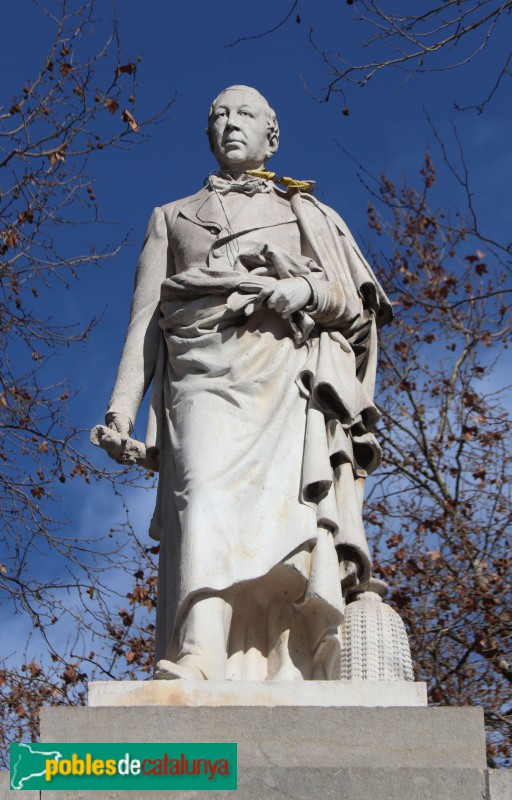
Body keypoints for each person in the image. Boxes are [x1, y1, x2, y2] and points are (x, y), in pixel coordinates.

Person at [103, 85, 392, 681]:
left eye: (245, 115)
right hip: (199, 372)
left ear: (272, 135)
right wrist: (120, 410)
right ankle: (199, 650)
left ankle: (295, 652)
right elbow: (145, 323)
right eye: (218, 116)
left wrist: (305, 289)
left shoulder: (307, 212)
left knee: (293, 516)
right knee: (203, 494)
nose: (230, 124)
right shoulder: (170, 217)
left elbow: (358, 313)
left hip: (286, 370)